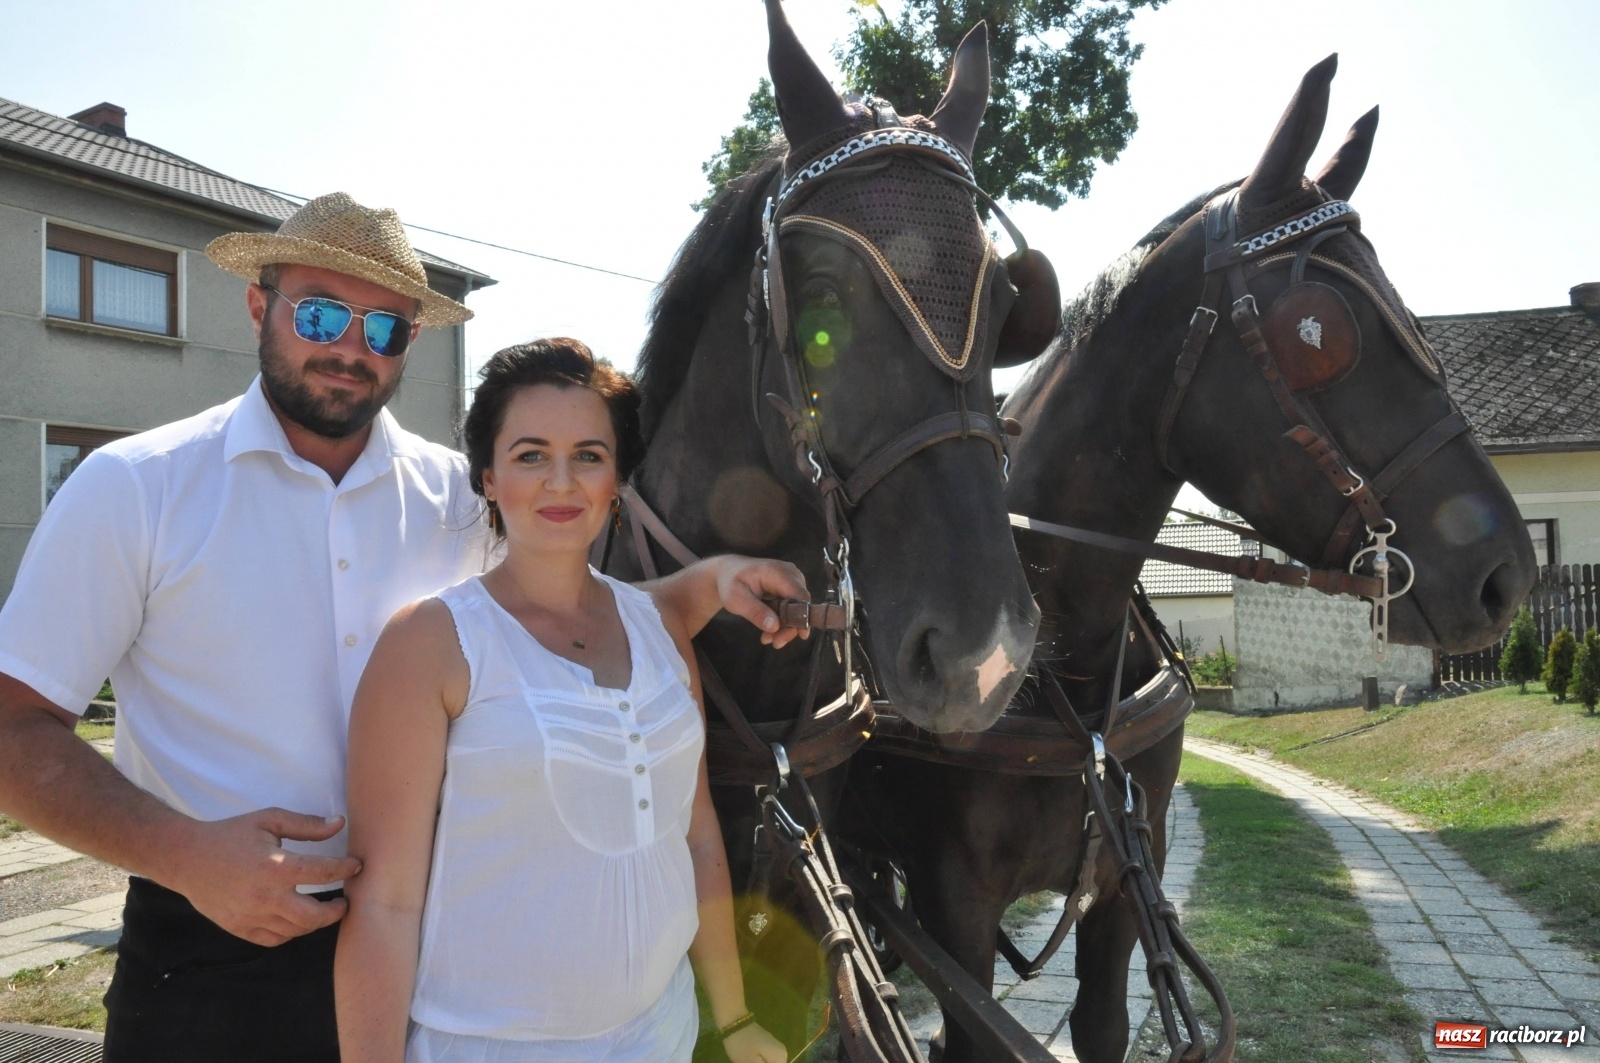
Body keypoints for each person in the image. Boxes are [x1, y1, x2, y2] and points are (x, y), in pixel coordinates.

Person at [0, 194, 806, 1062]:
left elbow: (582, 621)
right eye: (319, 312)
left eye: (384, 326)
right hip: (214, 957)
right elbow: (14, 730)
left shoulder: (465, 500)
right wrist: (187, 855)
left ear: (411, 344)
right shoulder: (137, 489)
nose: (351, 346)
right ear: (257, 304)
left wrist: (709, 581)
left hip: (433, 949)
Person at [334, 339, 787, 1063]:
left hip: (662, 1035)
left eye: (588, 455)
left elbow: (697, 835)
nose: (561, 482)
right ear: (487, 477)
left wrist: (731, 1018)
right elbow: (385, 903)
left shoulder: (661, 629)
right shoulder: (432, 643)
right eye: (530, 454)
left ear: (616, 481)